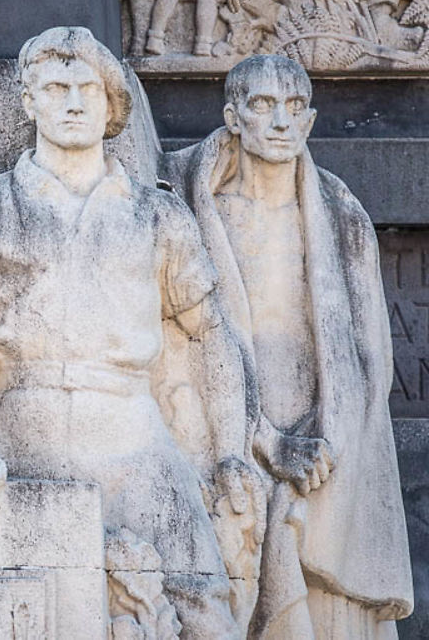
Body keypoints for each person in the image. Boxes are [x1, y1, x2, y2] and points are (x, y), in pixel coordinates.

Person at [0, 26, 252, 637]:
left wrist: (230, 449)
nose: (72, 102)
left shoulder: (159, 214)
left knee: (204, 606)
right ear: (29, 102)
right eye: (55, 87)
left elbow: (211, 333)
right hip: (26, 425)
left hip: (135, 430)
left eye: (88, 89)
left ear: (110, 106)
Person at [162, 54, 413, 638]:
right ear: (233, 117)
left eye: (295, 107)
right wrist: (260, 437)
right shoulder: (192, 208)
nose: (280, 121)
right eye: (262, 105)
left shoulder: (340, 211)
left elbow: (369, 351)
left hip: (325, 437)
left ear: (310, 120)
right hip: (224, 430)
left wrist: (331, 433)